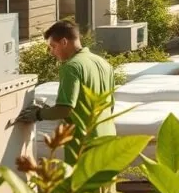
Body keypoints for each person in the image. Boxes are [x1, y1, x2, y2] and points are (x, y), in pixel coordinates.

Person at [17, 19, 117, 161]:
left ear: (64, 42)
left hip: (83, 143)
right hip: (108, 137)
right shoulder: (103, 63)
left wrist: (38, 113)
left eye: (53, 46)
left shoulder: (71, 67)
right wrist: (49, 110)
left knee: (81, 183)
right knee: (105, 183)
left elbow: (65, 108)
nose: (52, 52)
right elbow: (110, 105)